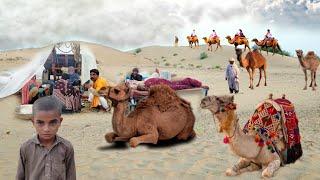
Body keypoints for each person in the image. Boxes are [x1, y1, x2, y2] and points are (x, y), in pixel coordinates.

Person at [16, 96, 76, 180]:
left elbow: (71, 175)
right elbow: (20, 176)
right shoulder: (26, 148)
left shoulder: (66, 147)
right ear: (33, 122)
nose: (46, 129)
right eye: (40, 123)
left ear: (60, 121)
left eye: (52, 123)